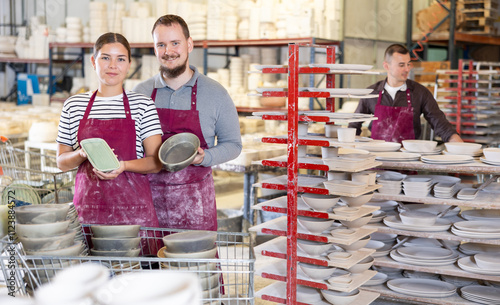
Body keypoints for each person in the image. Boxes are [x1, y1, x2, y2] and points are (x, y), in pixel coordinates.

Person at [133, 15, 242, 231]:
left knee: (194, 264)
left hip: (196, 208)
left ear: (189, 45)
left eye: (175, 43)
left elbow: (233, 144)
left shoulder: (215, 93)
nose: (168, 51)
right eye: (161, 45)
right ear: (154, 49)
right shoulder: (140, 94)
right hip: (148, 205)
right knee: (151, 264)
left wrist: (206, 157)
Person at [56, 33, 163, 242]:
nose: (113, 65)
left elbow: (156, 162)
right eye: (105, 57)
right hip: (88, 213)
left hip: (134, 214)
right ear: (93, 61)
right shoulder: (74, 105)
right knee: (93, 274)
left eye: (120, 59)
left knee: (137, 273)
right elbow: (61, 162)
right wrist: (81, 154)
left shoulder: (143, 105)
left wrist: (123, 166)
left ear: (129, 64)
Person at [348, 44, 463, 143]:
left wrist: (459, 146)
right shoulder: (371, 93)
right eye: (401, 65)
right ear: (386, 66)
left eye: (408, 64)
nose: (407, 69)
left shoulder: (420, 93)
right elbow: (353, 126)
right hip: (377, 161)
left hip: (408, 162)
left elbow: (440, 124)